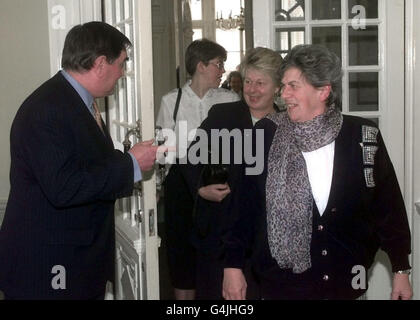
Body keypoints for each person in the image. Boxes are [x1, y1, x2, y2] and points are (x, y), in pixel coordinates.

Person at [222, 44, 412, 300]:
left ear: (323, 90)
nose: (284, 94)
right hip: (282, 286)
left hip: (347, 286)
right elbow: (243, 207)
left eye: (293, 86)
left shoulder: (363, 136)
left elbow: (388, 206)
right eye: (283, 85)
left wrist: (401, 268)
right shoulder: (264, 136)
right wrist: (232, 266)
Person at [0, 22, 160, 300]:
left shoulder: (76, 100)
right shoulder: (47, 109)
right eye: (121, 64)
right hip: (48, 265)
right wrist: (130, 165)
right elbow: (64, 187)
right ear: (100, 63)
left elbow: (86, 165)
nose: (122, 73)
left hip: (73, 257)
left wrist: (129, 161)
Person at [181, 47, 283, 299]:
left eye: (261, 83)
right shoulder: (222, 116)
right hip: (220, 239)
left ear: (278, 88)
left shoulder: (287, 125)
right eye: (248, 81)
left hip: (268, 243)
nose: (252, 89)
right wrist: (200, 188)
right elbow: (190, 158)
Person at [156, 38, 239, 300]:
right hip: (181, 189)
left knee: (217, 255)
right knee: (182, 257)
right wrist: (159, 188)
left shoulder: (230, 98)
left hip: (220, 182)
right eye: (218, 64)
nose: (222, 70)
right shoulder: (172, 101)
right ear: (201, 66)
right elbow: (164, 150)